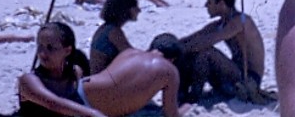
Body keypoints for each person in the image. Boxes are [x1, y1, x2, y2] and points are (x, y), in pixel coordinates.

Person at [18, 21, 190, 117]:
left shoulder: (76, 73)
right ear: (172, 59)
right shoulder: (28, 81)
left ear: (67, 51)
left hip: (86, 98)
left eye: (50, 48)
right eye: (39, 46)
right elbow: (54, 103)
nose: (42, 53)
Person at [180, 0, 266, 102]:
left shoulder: (239, 22)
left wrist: (181, 49)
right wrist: (171, 47)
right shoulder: (222, 23)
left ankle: (194, 97)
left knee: (205, 52)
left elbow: (207, 42)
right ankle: (181, 92)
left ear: (221, 4)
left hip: (248, 78)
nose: (206, 5)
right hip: (232, 75)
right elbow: (195, 37)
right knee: (189, 50)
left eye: (209, 2)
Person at [90, 0, 141, 74]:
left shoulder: (105, 29)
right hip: (103, 84)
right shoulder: (114, 32)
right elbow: (132, 56)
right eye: (135, 6)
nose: (139, 10)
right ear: (126, 9)